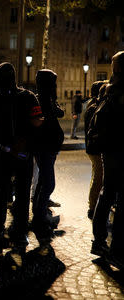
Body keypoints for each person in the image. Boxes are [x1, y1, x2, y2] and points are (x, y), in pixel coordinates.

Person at [0, 62, 43, 248]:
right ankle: (18, 232)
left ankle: (0, 229)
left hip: (2, 152)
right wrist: (24, 139)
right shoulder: (28, 96)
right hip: (20, 151)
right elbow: (37, 122)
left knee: (0, 193)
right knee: (21, 194)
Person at [91, 51, 124, 269]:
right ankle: (117, 250)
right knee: (120, 199)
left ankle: (100, 240)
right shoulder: (121, 90)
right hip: (120, 149)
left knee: (107, 193)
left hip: (109, 149)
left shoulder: (108, 89)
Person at [31, 69, 64, 243]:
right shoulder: (43, 99)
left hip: (47, 146)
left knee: (44, 182)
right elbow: (45, 121)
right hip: (45, 147)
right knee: (48, 183)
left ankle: (40, 216)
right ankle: (40, 219)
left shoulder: (47, 98)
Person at [84, 80, 108, 220]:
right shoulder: (95, 107)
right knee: (98, 177)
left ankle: (93, 204)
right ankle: (93, 206)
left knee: (96, 176)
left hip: (93, 147)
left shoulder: (92, 105)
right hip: (95, 148)